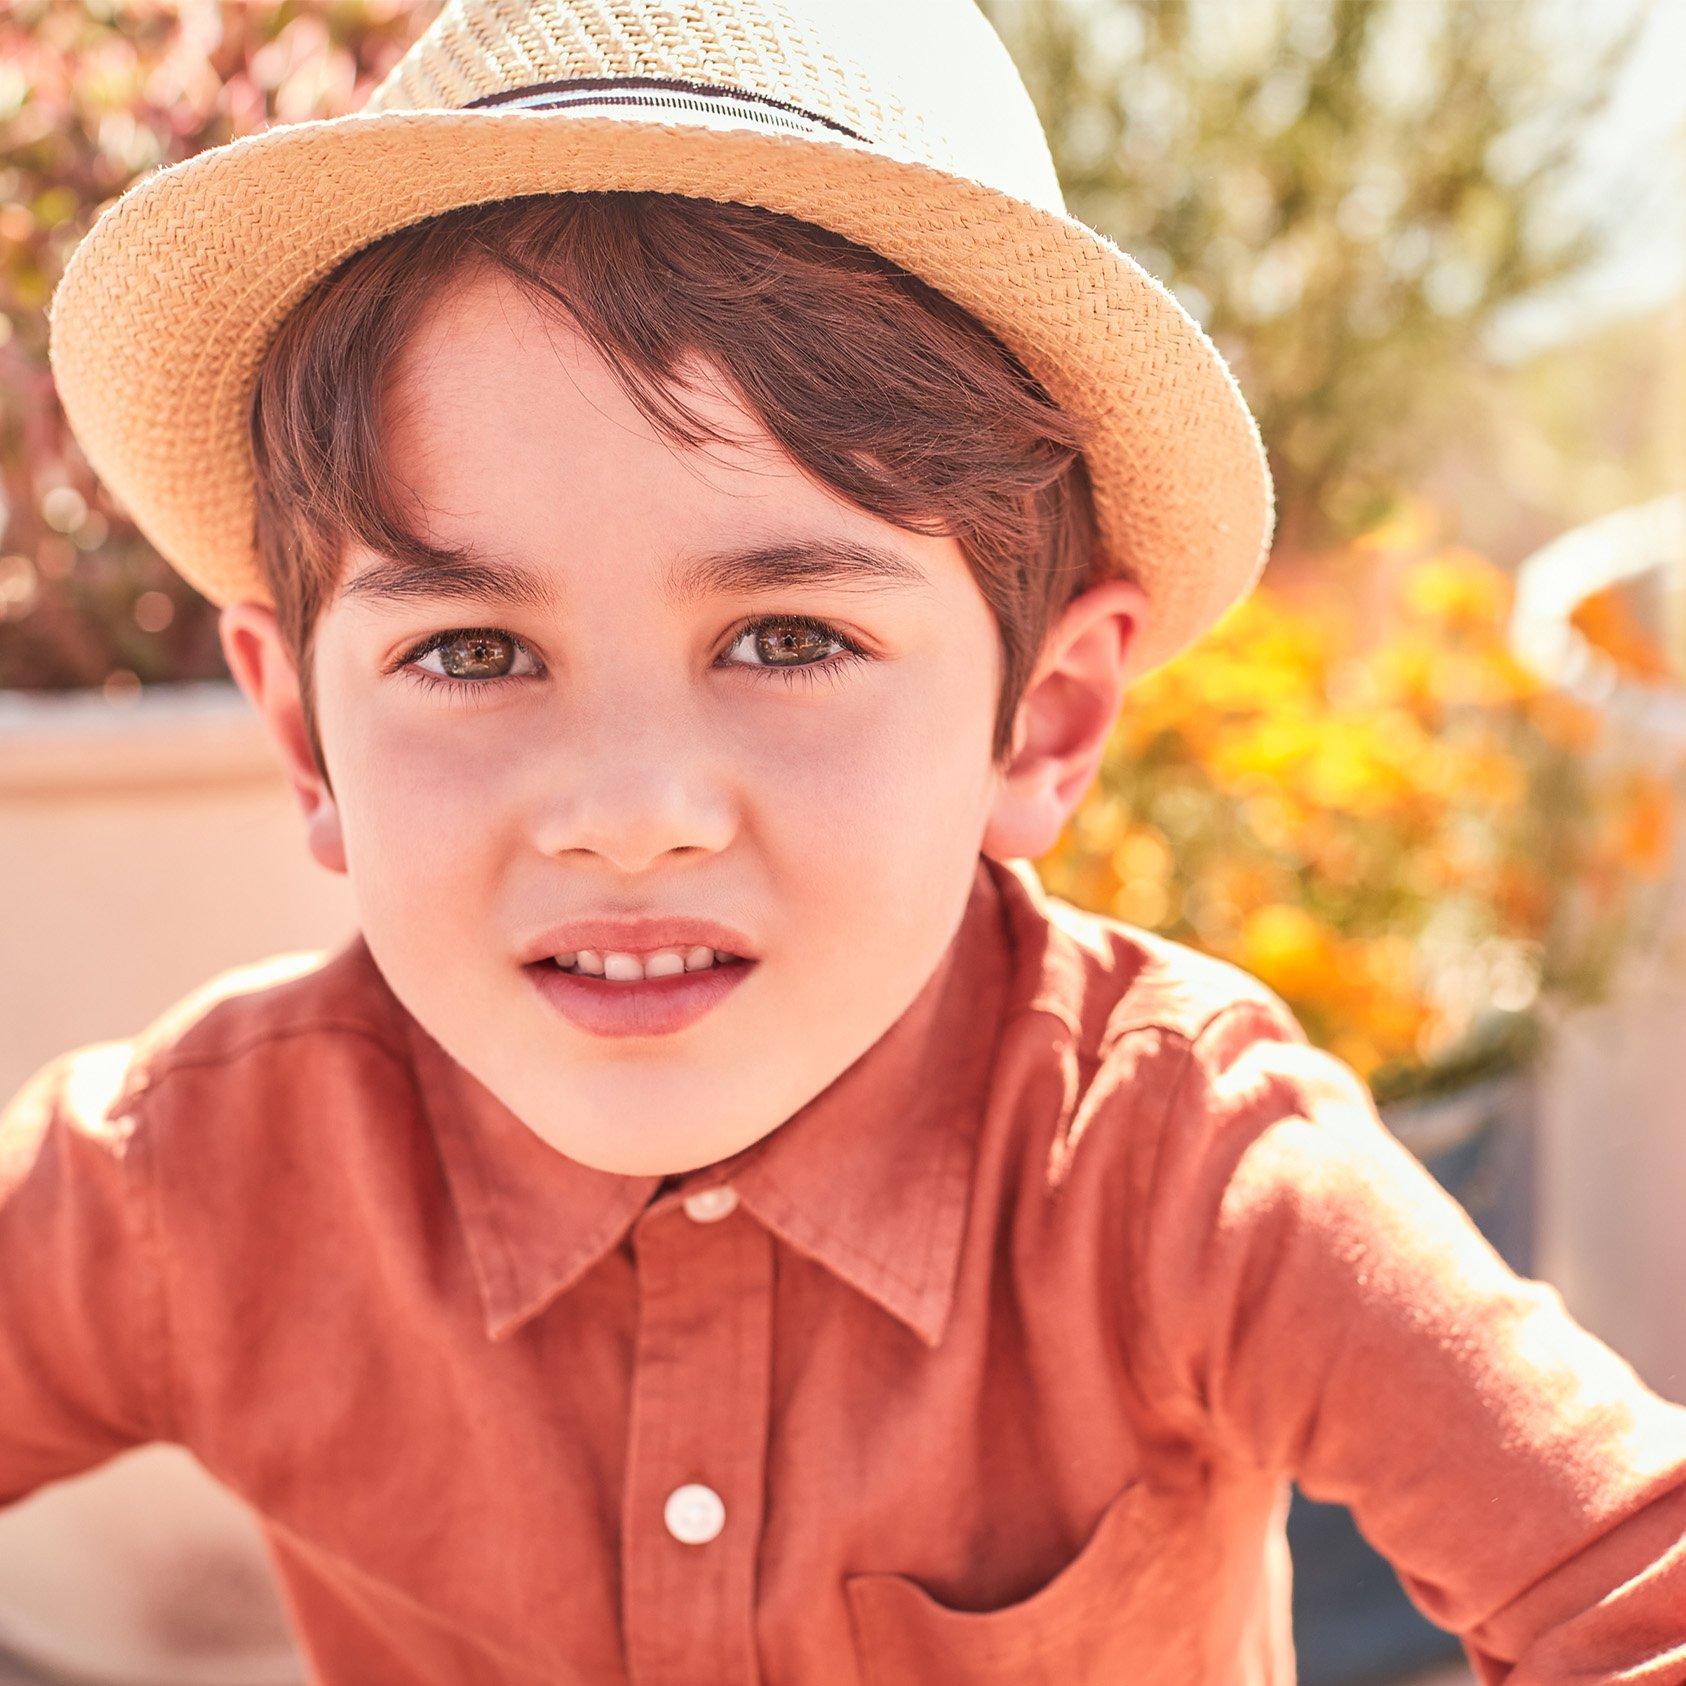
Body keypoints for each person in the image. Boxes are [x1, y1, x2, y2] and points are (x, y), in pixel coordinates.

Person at [10, 0, 1685, 1679]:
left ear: (1041, 719)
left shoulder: (1188, 1172)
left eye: (788, 637)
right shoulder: (193, 1178)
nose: (630, 810)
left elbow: (1632, 1590)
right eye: (469, 652)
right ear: (302, 731)